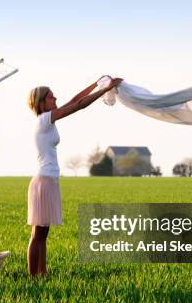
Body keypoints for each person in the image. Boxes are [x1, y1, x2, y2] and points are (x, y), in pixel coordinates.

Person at [26, 76, 122, 276]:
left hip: (49, 180)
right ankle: (33, 276)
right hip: (44, 181)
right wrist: (106, 90)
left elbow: (74, 100)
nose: (55, 99)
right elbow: (79, 105)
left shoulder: (48, 120)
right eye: (51, 97)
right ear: (42, 103)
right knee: (38, 233)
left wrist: (96, 84)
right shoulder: (44, 120)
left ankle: (41, 274)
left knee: (43, 233)